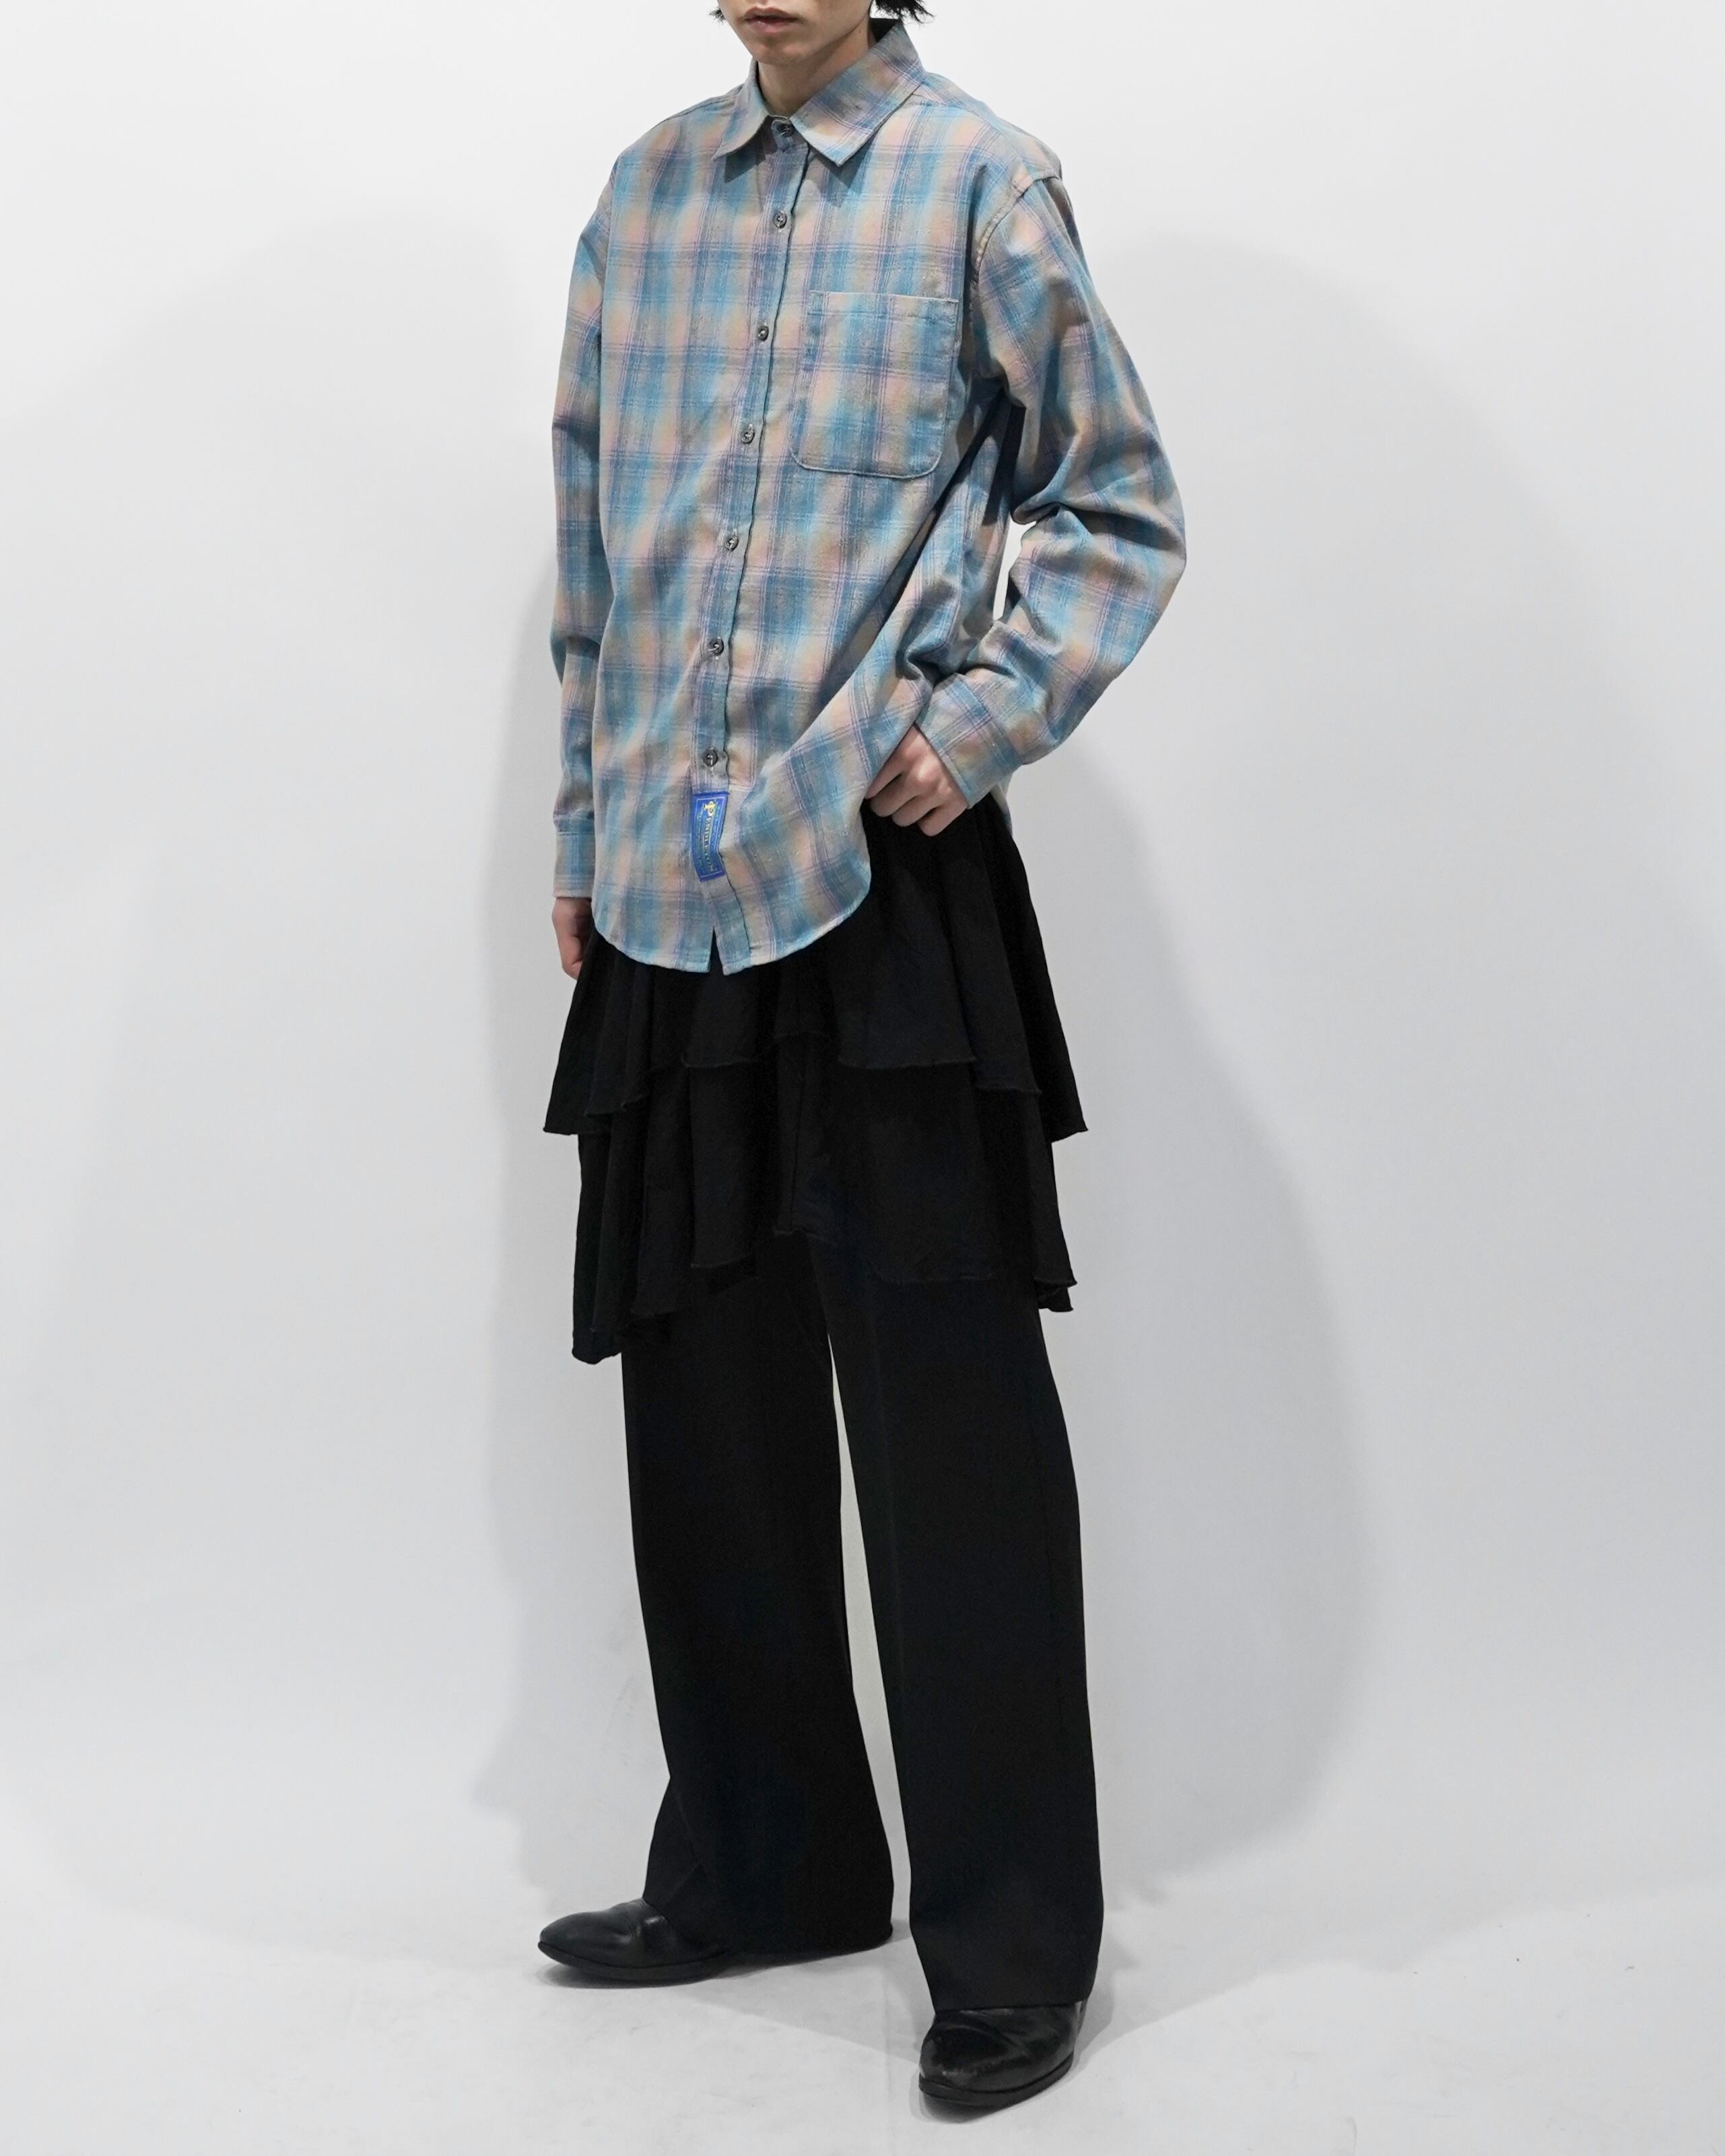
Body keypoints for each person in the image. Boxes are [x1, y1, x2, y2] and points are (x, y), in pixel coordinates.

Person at [536, 0, 1184, 2113]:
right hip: (664, 874)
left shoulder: (981, 182)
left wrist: (972, 725)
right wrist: (580, 824)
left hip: (874, 862)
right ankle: (768, 1859)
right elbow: (590, 546)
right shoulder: (644, 196)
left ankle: (1010, 1938)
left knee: (946, 1420)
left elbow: (1114, 503)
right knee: (700, 1394)